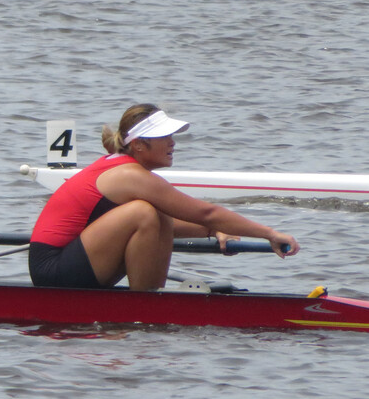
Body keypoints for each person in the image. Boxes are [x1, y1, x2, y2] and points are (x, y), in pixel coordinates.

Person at [28, 103, 299, 291]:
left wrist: (214, 230)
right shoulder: (128, 175)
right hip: (52, 268)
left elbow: (177, 222)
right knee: (143, 213)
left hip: (73, 260)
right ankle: (148, 303)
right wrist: (269, 233)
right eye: (164, 136)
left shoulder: (125, 171)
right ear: (138, 144)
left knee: (153, 213)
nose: (173, 143)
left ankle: (149, 299)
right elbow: (205, 212)